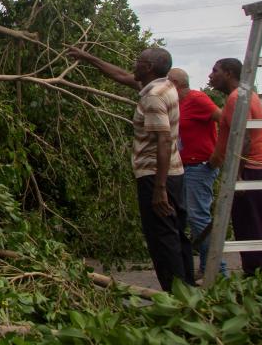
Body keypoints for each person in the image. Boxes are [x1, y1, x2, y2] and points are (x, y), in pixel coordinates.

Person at [68, 45, 194, 290]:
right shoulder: (164, 86)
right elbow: (121, 76)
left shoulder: (153, 96)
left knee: (162, 240)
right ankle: (189, 292)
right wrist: (87, 58)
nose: (133, 65)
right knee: (175, 234)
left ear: (147, 68)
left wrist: (159, 188)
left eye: (138, 62)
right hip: (174, 174)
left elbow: (164, 140)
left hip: (157, 176)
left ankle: (176, 298)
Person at [207, 58, 262, 276]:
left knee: (251, 223)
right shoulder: (243, 95)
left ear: (228, 73)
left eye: (215, 71)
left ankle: (254, 272)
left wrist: (237, 175)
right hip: (261, 166)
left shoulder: (239, 98)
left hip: (252, 168)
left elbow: (243, 138)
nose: (210, 75)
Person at [166, 68, 225, 279]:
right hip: (184, 167)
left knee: (197, 216)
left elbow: (224, 120)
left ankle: (218, 270)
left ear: (175, 83)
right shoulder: (176, 103)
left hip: (200, 167)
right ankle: (206, 268)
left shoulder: (197, 99)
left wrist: (219, 154)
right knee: (189, 216)